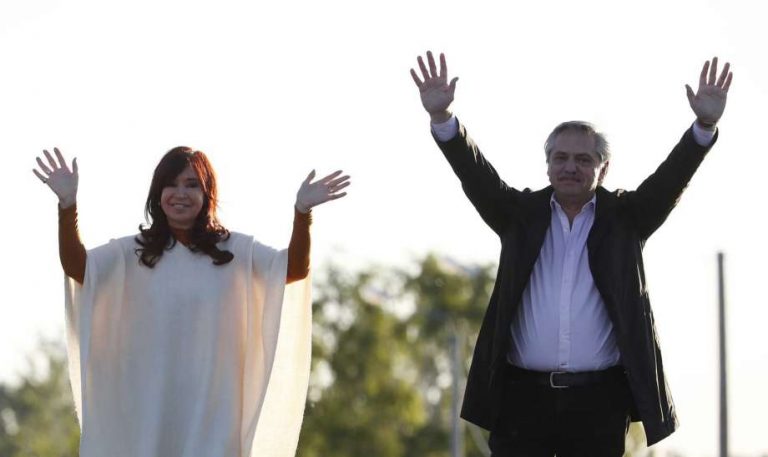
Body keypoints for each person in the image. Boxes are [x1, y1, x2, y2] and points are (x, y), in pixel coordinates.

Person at [410, 51, 732, 456]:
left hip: (598, 403)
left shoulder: (626, 220)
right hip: (522, 401)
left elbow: (671, 178)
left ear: (603, 168)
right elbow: (475, 174)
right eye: (560, 158)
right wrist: (443, 119)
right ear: (547, 166)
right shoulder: (518, 216)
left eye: (583, 159)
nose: (570, 167)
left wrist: (704, 127)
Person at [32, 146, 350, 457]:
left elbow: (293, 269)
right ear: (158, 194)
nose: (180, 193)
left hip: (216, 418)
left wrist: (302, 214)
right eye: (171, 184)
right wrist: (68, 207)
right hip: (148, 417)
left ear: (207, 193)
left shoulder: (237, 252)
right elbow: (79, 268)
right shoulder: (130, 253)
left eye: (191, 185)